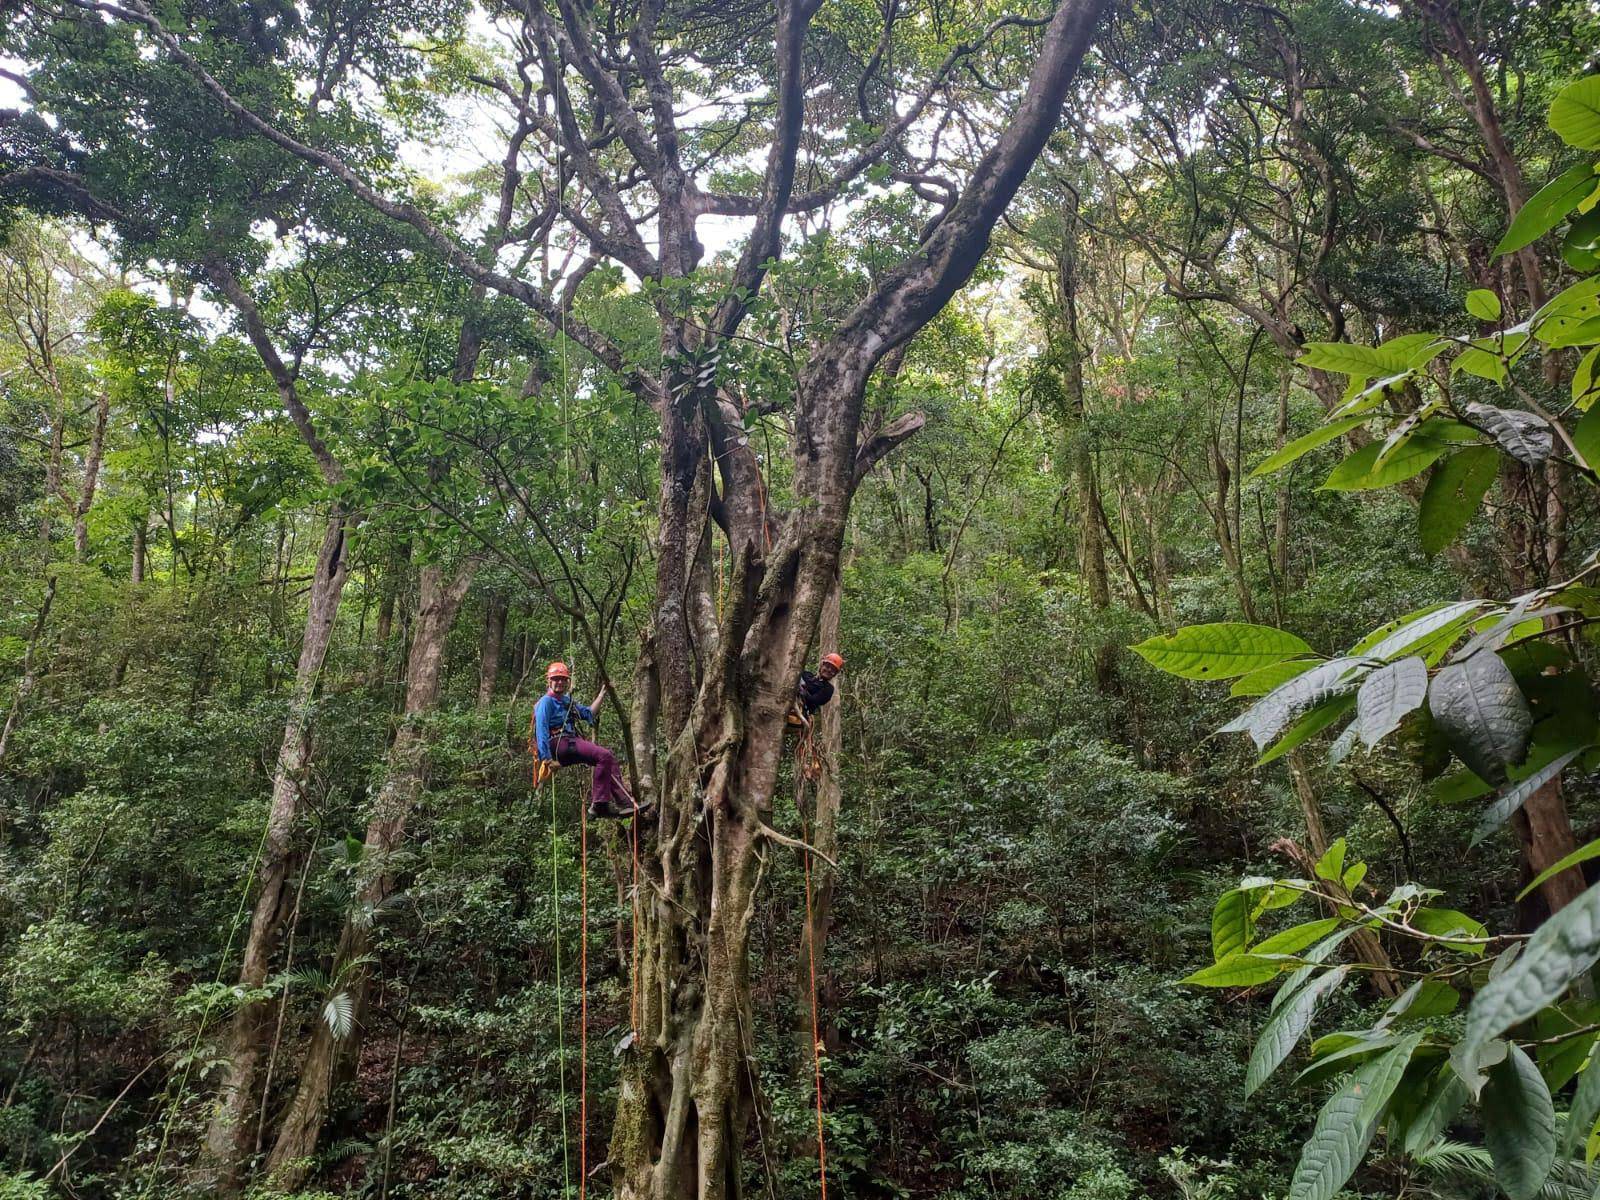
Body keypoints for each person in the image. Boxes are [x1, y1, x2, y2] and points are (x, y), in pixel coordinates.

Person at [533, 661, 639, 819]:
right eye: (556, 679)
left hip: (569, 743)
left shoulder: (567, 701)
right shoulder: (546, 702)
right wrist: (547, 760)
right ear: (549, 681)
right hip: (559, 743)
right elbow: (541, 730)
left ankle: (624, 802)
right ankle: (600, 804)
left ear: (567, 682)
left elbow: (589, 713)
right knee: (604, 755)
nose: (560, 682)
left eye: (563, 679)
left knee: (607, 758)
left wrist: (603, 693)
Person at [792, 652, 845, 728]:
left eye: (833, 669)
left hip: (801, 715)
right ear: (822, 665)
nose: (829, 670)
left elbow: (813, 701)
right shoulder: (807, 675)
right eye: (827, 666)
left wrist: (802, 690)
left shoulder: (828, 689)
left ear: (835, 674)